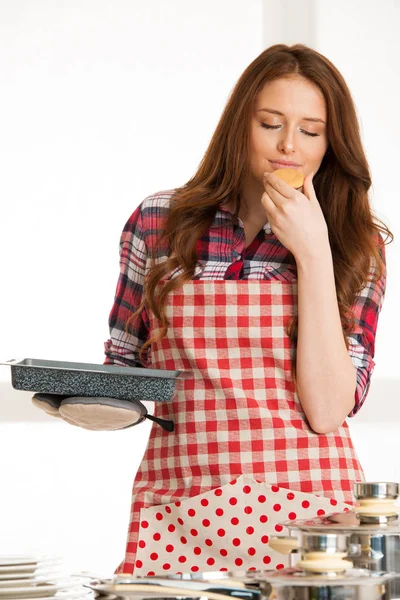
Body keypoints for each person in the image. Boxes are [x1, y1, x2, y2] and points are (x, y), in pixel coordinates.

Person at [103, 43, 391, 575]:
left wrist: (313, 252)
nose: (289, 146)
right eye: (270, 123)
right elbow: (124, 368)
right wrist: (85, 401)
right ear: (240, 125)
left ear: (332, 144)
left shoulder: (356, 244)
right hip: (181, 513)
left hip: (309, 524)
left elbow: (329, 409)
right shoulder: (157, 222)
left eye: (310, 131)